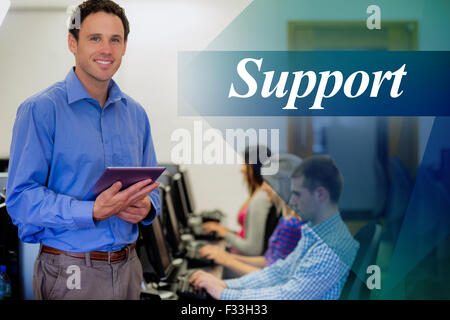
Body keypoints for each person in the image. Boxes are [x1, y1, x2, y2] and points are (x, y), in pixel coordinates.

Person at [6, 0, 160, 300]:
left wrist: (147, 207)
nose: (106, 49)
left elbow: (153, 188)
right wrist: (91, 211)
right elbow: (20, 199)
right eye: (94, 38)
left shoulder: (136, 114)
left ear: (125, 46)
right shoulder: (40, 110)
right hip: (69, 272)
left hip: (129, 268)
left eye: (115, 39)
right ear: (72, 43)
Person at [190, 155, 360, 300]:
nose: (292, 201)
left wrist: (225, 294)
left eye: (297, 194)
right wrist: (225, 285)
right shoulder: (314, 233)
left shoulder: (332, 247)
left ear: (321, 194)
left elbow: (289, 295)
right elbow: (278, 272)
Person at [199, 154, 305, 276]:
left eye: (268, 182)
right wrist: (226, 256)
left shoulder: (293, 226)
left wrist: (227, 260)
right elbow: (267, 261)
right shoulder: (285, 220)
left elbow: (274, 278)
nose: (264, 187)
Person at [202, 145, 273, 256]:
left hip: (245, 260)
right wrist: (224, 230)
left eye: (245, 164)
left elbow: (252, 249)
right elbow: (248, 237)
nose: (242, 169)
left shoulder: (261, 199)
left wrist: (225, 233)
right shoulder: (257, 194)